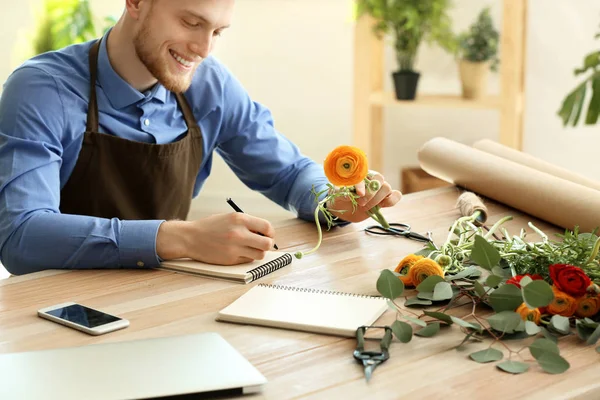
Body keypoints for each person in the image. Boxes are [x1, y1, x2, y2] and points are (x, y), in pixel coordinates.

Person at [0, 0, 401, 275]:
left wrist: (333, 201)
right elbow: (20, 236)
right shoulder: (41, 89)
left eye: (217, 31)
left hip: (166, 299)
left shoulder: (211, 85)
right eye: (191, 23)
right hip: (57, 315)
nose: (204, 49)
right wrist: (181, 238)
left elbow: (289, 172)